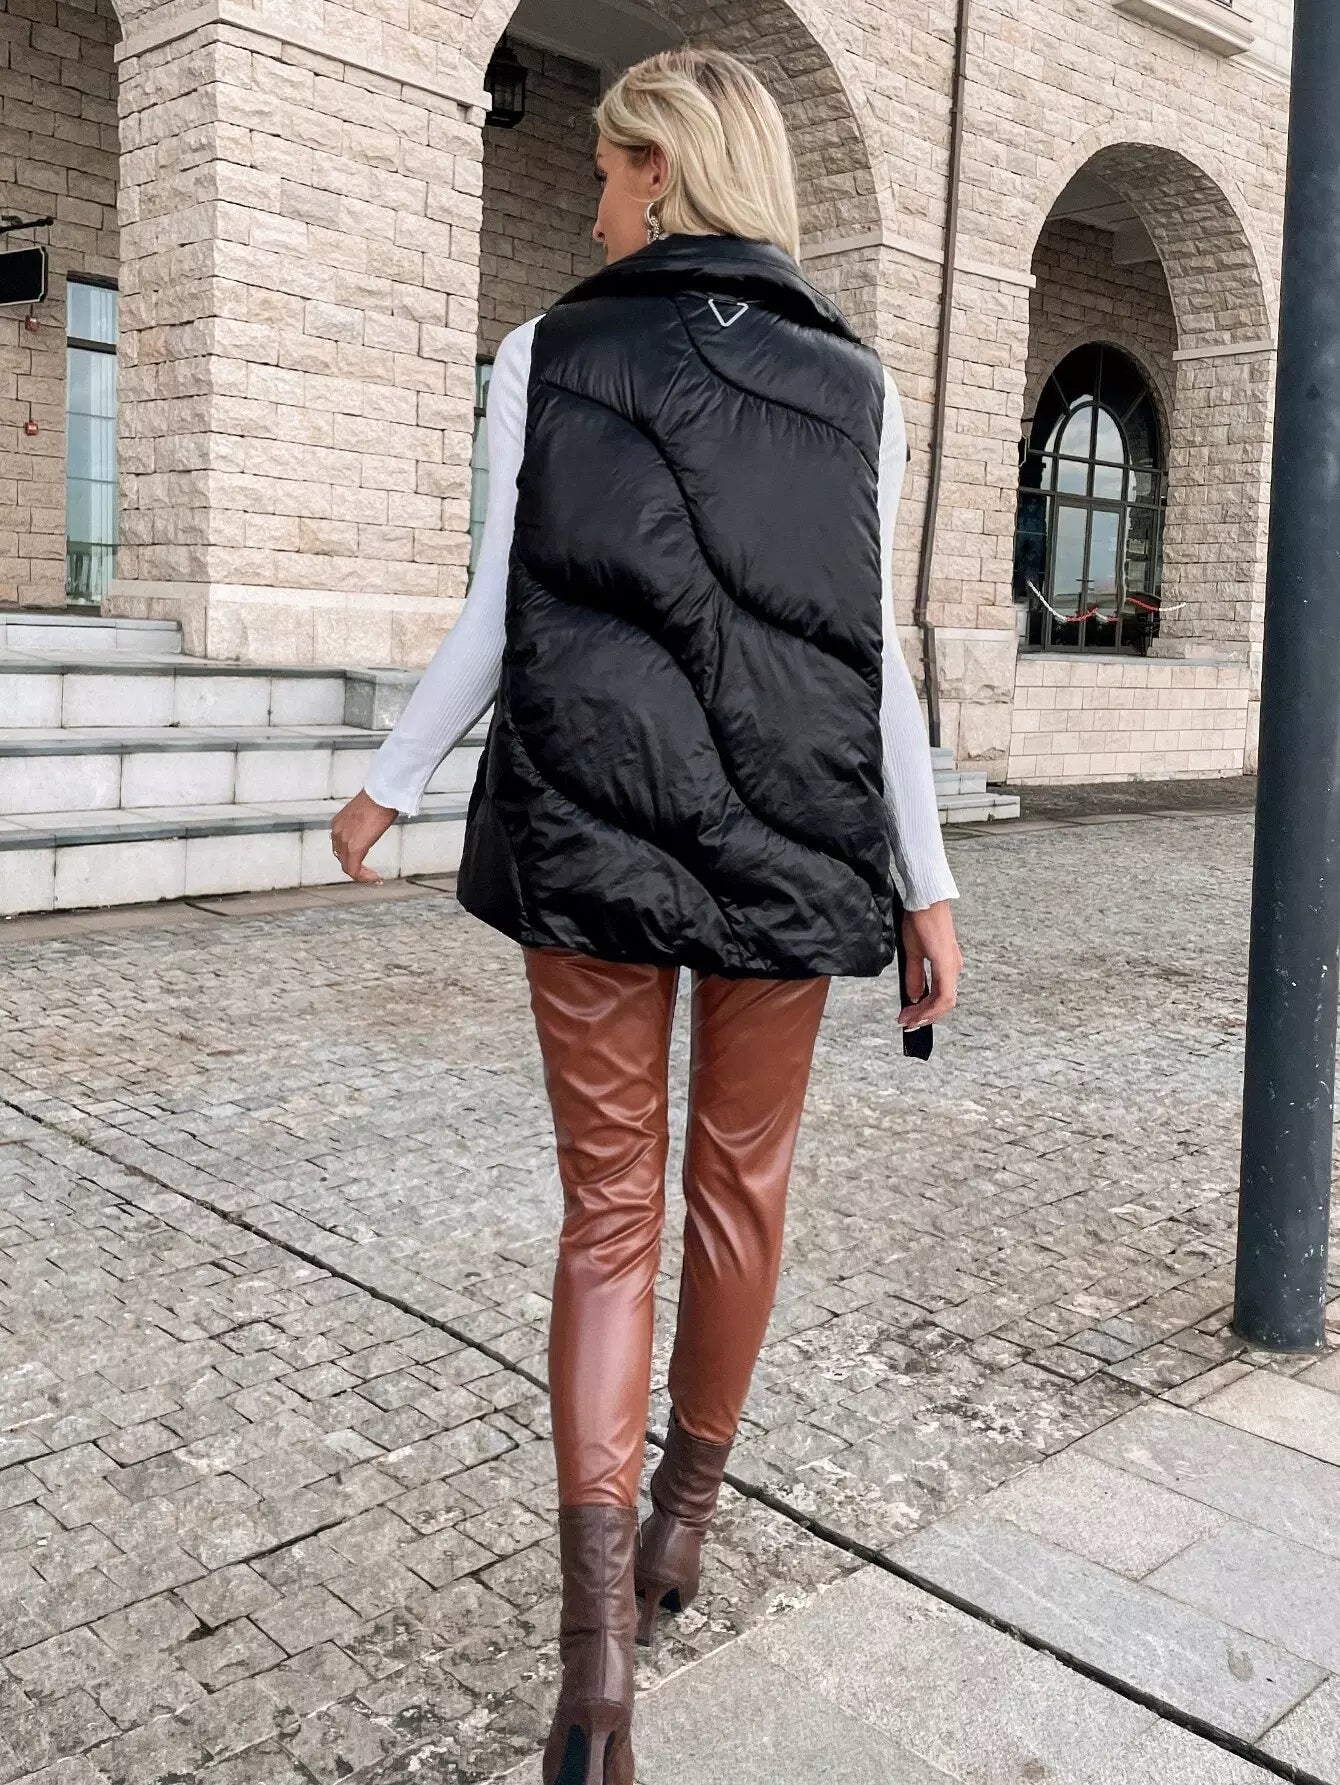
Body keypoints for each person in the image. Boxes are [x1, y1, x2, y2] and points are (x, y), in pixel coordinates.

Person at [331, 45, 962, 1785]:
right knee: (738, 1192)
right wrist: (926, 879)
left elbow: (493, 615)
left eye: (608, 173)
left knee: (609, 1218)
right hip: (792, 837)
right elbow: (875, 665)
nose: (595, 203)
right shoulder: (860, 387)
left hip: (590, 821)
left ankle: (596, 1666)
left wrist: (387, 784)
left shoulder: (547, 350)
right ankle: (684, 1517)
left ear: (662, 173)